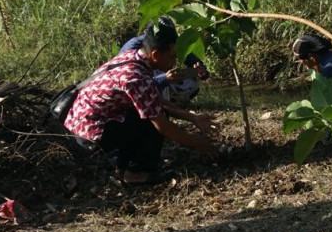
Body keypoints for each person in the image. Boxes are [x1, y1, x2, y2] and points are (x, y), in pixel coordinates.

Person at [64, 18, 220, 186]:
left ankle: (122, 169)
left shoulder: (133, 57)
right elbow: (163, 126)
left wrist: (192, 117)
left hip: (90, 119)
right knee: (151, 122)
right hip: (88, 131)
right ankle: (136, 173)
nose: (175, 61)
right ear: (155, 54)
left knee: (147, 115)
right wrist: (196, 143)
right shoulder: (136, 76)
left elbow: (154, 99)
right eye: (172, 56)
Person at [118, 22, 210, 107]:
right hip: (138, 89)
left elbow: (193, 61)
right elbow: (134, 83)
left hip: (157, 83)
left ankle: (171, 101)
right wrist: (164, 79)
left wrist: (201, 70)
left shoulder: (170, 42)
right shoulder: (133, 48)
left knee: (192, 82)